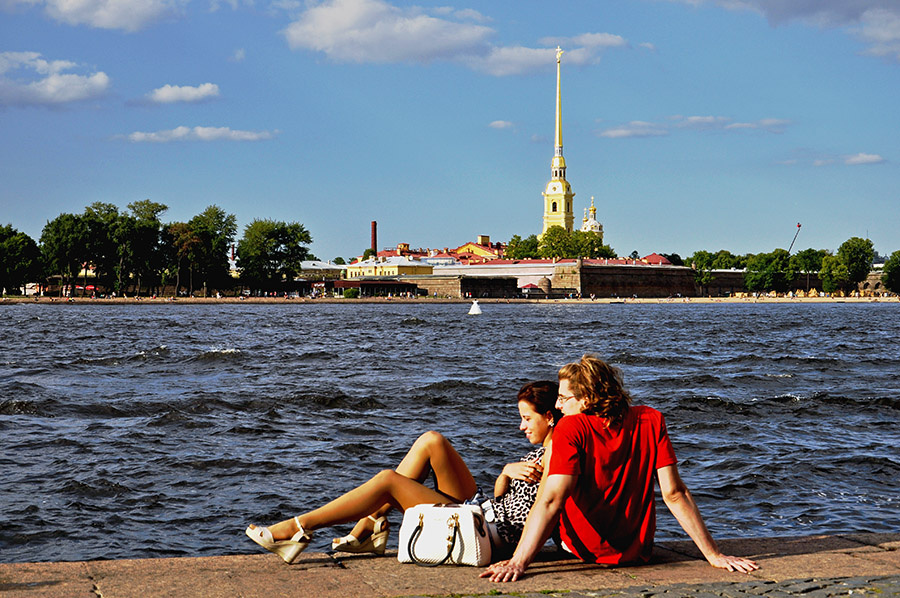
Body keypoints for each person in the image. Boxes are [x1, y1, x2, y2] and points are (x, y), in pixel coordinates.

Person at [482, 355, 759, 583]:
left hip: (583, 548)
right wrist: (713, 555)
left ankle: (497, 529)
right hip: (638, 551)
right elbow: (675, 494)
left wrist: (518, 562)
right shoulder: (651, 419)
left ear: (586, 399)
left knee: (540, 484)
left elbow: (552, 500)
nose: (557, 405)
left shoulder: (570, 427)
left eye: (563, 399)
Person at [245, 381, 561, 563]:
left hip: (485, 533)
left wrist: (518, 560)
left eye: (527, 419)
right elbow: (504, 497)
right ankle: (369, 525)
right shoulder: (543, 449)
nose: (521, 426)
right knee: (431, 440)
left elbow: (543, 509)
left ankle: (299, 528)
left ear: (549, 416)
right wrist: (505, 472)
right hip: (482, 508)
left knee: (388, 481)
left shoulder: (558, 454)